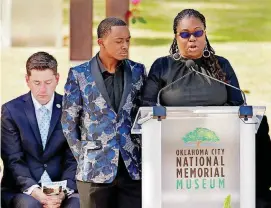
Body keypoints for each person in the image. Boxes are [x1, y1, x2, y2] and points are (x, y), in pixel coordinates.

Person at [61, 17, 146, 208]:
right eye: (119, 41)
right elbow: (68, 123)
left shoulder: (138, 71)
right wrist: (85, 155)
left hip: (131, 170)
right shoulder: (79, 74)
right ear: (101, 42)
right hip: (93, 172)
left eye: (127, 40)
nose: (125, 46)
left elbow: (143, 114)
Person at [1, 52, 80, 208]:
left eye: (48, 82)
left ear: (57, 79)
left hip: (62, 188)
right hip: (23, 189)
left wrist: (62, 193)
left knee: (77, 205)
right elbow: (13, 159)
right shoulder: (11, 111)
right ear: (27, 80)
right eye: (37, 83)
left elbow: (74, 157)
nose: (43, 89)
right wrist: (37, 193)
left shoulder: (70, 108)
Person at [142, 9, 244, 107]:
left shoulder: (222, 64)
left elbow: (237, 104)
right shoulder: (162, 65)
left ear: (205, 34)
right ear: (176, 37)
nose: (192, 39)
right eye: (185, 34)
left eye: (198, 33)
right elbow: (147, 106)